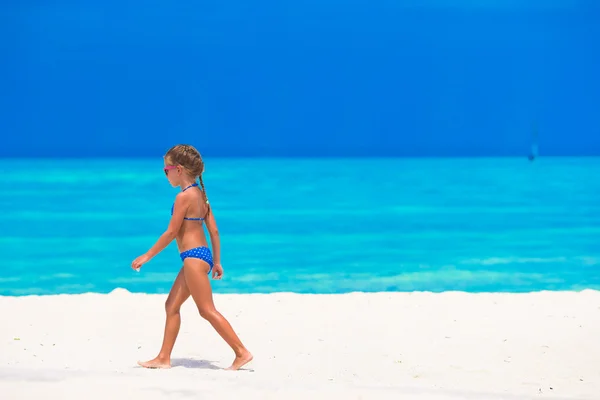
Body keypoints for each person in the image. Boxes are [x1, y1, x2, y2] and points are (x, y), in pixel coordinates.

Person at [131, 144, 253, 370]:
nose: (165, 174)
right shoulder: (201, 195)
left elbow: (171, 232)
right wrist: (216, 261)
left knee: (206, 310)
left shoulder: (183, 198)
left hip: (193, 258)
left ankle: (241, 351)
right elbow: (214, 232)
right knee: (171, 305)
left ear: (178, 170)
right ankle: (163, 358)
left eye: (166, 170)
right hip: (201, 256)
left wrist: (147, 255)